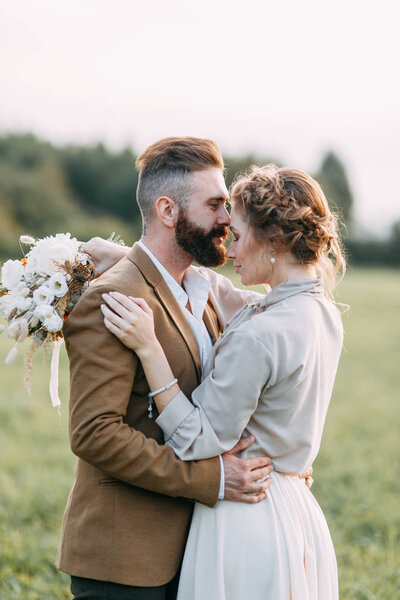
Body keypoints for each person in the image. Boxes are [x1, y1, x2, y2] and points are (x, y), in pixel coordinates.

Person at [101, 164, 345, 599]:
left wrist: (149, 347)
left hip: (246, 517)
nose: (229, 250)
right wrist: (125, 258)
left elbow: (196, 439)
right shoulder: (319, 312)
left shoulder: (260, 334)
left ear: (273, 240)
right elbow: (208, 286)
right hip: (297, 513)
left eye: (238, 235)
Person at [57, 137, 279, 600]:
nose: (227, 219)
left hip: (194, 551)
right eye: (216, 204)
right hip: (125, 562)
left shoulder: (200, 291)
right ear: (167, 210)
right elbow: (95, 432)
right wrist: (212, 478)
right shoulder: (112, 297)